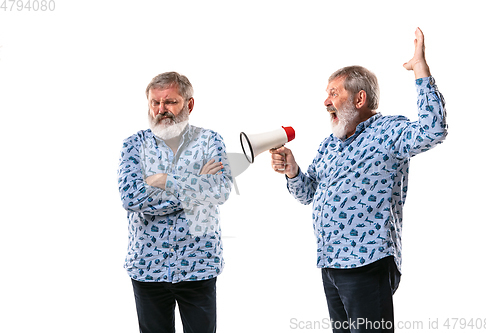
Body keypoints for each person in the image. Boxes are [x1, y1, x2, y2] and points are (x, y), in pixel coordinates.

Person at [270, 28, 447, 332]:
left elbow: (434, 130)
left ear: (360, 98)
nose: (326, 101)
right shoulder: (330, 143)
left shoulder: (389, 131)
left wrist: (420, 69)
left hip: (367, 262)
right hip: (331, 264)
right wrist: (292, 170)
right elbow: (308, 192)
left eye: (334, 93)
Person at [117, 72, 232, 333]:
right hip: (147, 266)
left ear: (189, 104)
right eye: (155, 103)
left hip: (199, 265)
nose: (161, 110)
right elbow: (131, 196)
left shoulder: (209, 141)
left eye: (170, 102)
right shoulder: (134, 145)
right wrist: (195, 185)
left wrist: (163, 180)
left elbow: (221, 190)